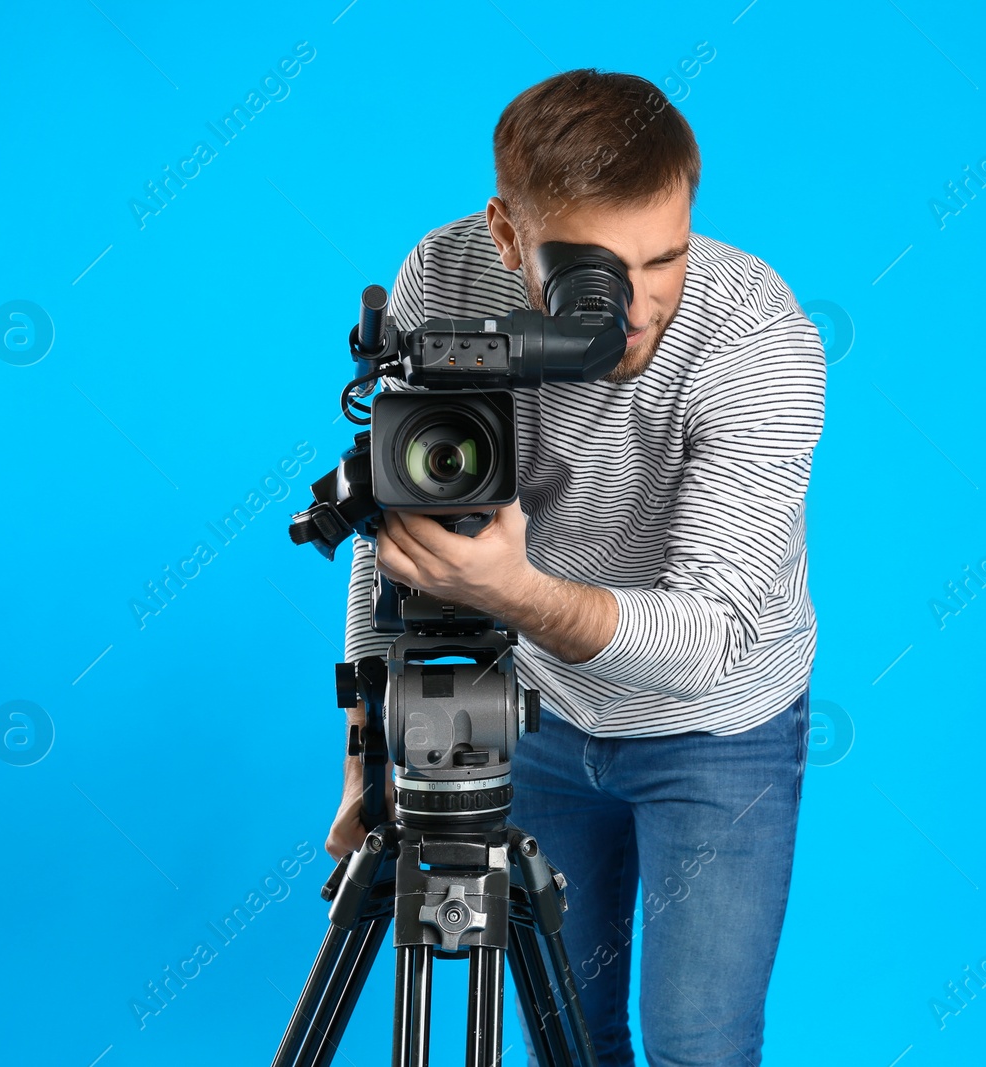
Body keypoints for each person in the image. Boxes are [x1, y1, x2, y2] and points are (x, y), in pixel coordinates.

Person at [325, 68, 826, 1067]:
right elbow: (401, 515)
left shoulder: (754, 339)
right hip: (531, 709)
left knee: (699, 1044)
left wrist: (513, 594)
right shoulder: (449, 275)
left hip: (713, 727)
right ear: (508, 234)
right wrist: (367, 749)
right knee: (578, 1032)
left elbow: (712, 639)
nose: (633, 308)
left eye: (665, 259)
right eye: (596, 268)